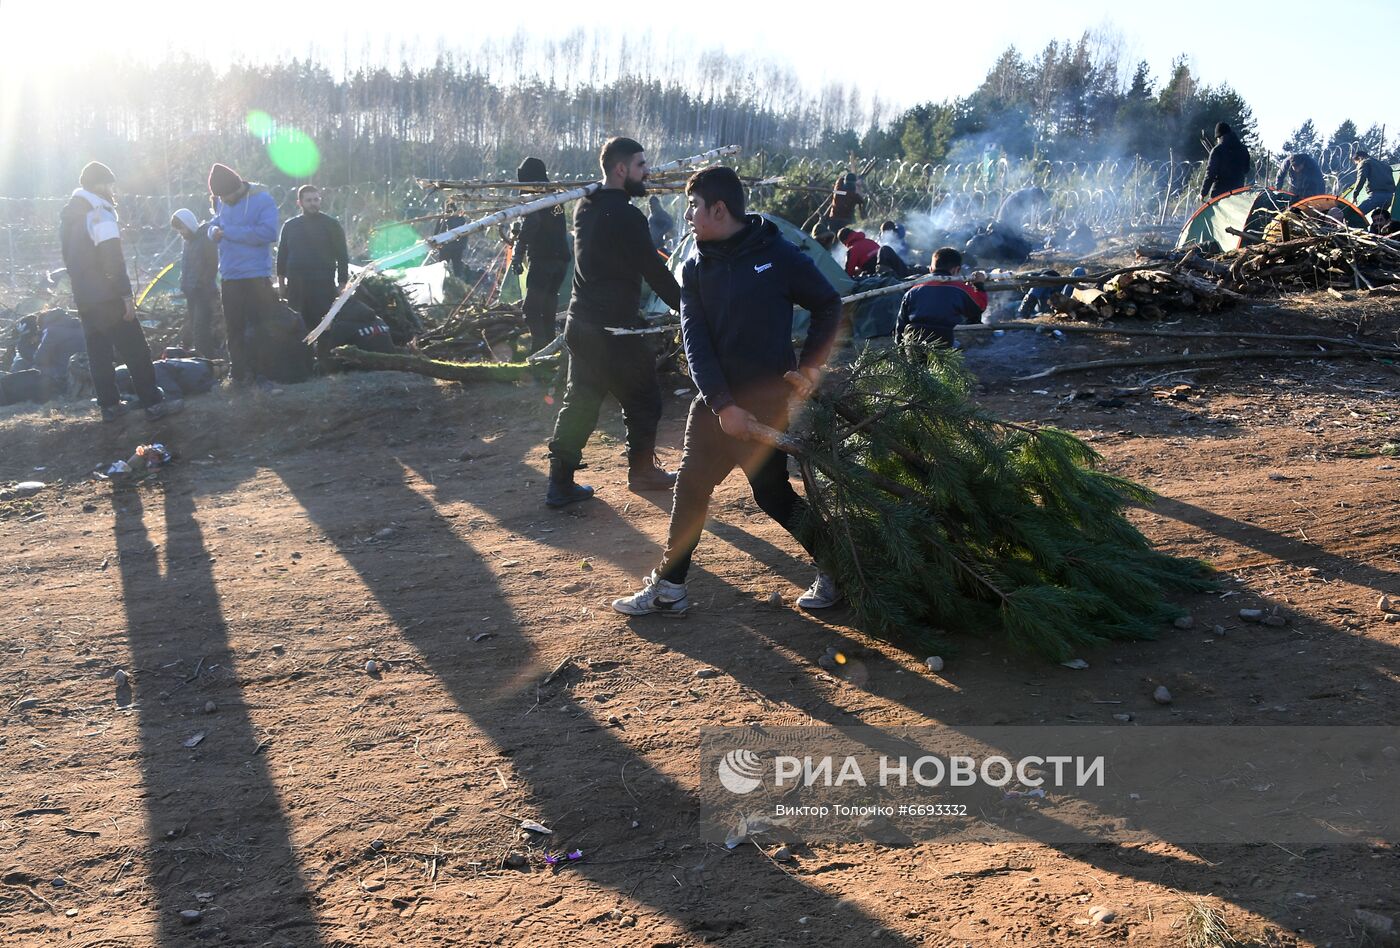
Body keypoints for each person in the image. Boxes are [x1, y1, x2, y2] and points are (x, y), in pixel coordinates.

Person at [612, 166, 843, 616]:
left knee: (773, 494)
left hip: (766, 402)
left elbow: (827, 303)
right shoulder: (697, 267)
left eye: (694, 207)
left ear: (719, 209)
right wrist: (722, 404)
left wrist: (812, 365)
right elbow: (694, 339)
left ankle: (838, 569)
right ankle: (669, 588)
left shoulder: (778, 254)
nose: (689, 217)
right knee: (691, 487)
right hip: (715, 402)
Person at [545, 136, 682, 507]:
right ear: (621, 169)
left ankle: (559, 484)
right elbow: (653, 269)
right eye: (641, 165)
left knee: (581, 401)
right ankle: (641, 473)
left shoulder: (585, 207)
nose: (647, 172)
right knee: (644, 399)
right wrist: (686, 306)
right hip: (614, 330)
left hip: (581, 323)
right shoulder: (626, 216)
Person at [58, 162, 181, 421]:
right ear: (100, 185)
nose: (112, 190)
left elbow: (70, 261)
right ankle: (153, 402)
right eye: (109, 184)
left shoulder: (69, 218)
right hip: (108, 296)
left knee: (98, 352)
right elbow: (112, 260)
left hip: (84, 297)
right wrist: (125, 296)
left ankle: (110, 407)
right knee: (136, 348)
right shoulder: (100, 212)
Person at [208, 162, 281, 387]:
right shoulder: (221, 200)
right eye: (221, 197)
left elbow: (268, 233)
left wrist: (228, 232)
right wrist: (213, 232)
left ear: (238, 186)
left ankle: (265, 374)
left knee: (261, 327)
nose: (225, 201)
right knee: (234, 328)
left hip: (256, 275)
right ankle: (238, 374)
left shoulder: (263, 200)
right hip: (230, 276)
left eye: (227, 196)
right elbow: (214, 223)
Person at [513, 157, 572, 353]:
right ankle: (550, 349)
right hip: (561, 259)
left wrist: (518, 253)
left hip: (544, 259)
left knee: (531, 309)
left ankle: (539, 350)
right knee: (548, 307)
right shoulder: (555, 195)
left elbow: (533, 223)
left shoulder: (535, 197)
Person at [276, 185, 348, 335]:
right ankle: (303, 357)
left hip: (323, 285)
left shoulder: (331, 225)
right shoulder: (290, 226)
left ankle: (324, 357)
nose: (313, 203)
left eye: (316, 199)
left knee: (324, 326)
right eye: (308, 200)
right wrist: (282, 284)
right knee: (297, 327)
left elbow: (342, 256)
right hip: (297, 286)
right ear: (300, 203)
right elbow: (282, 256)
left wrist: (342, 284)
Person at [895, 248, 988, 347]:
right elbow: (979, 307)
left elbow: (901, 322)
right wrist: (979, 285)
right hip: (942, 341)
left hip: (912, 341)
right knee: (958, 347)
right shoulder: (960, 289)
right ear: (957, 270)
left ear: (931, 269)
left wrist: (900, 346)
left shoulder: (914, 289)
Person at [170, 208, 222, 357]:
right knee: (194, 326)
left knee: (201, 328)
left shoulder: (205, 237)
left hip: (203, 291)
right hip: (190, 291)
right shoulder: (187, 241)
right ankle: (202, 358)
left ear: (189, 223)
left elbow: (212, 264)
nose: (181, 232)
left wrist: (203, 283)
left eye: (182, 228)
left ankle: (206, 361)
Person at [1200, 122, 1251, 201]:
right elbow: (1246, 169)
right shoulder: (1243, 149)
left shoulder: (1217, 150)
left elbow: (1210, 174)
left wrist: (1203, 193)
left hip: (1220, 194)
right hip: (1238, 192)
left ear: (1219, 137)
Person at [1348, 150, 1396, 216]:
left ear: (1359, 158)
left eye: (1357, 163)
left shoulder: (1365, 162)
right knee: (1380, 218)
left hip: (1376, 195)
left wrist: (1355, 194)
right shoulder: (1385, 165)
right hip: (1390, 197)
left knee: (1357, 214)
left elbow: (1361, 179)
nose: (1357, 165)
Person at [433, 202, 468, 280]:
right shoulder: (461, 219)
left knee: (444, 267)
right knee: (454, 268)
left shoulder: (444, 219)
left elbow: (437, 233)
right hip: (452, 247)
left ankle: (451, 282)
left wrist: (437, 244)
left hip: (448, 248)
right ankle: (455, 281)